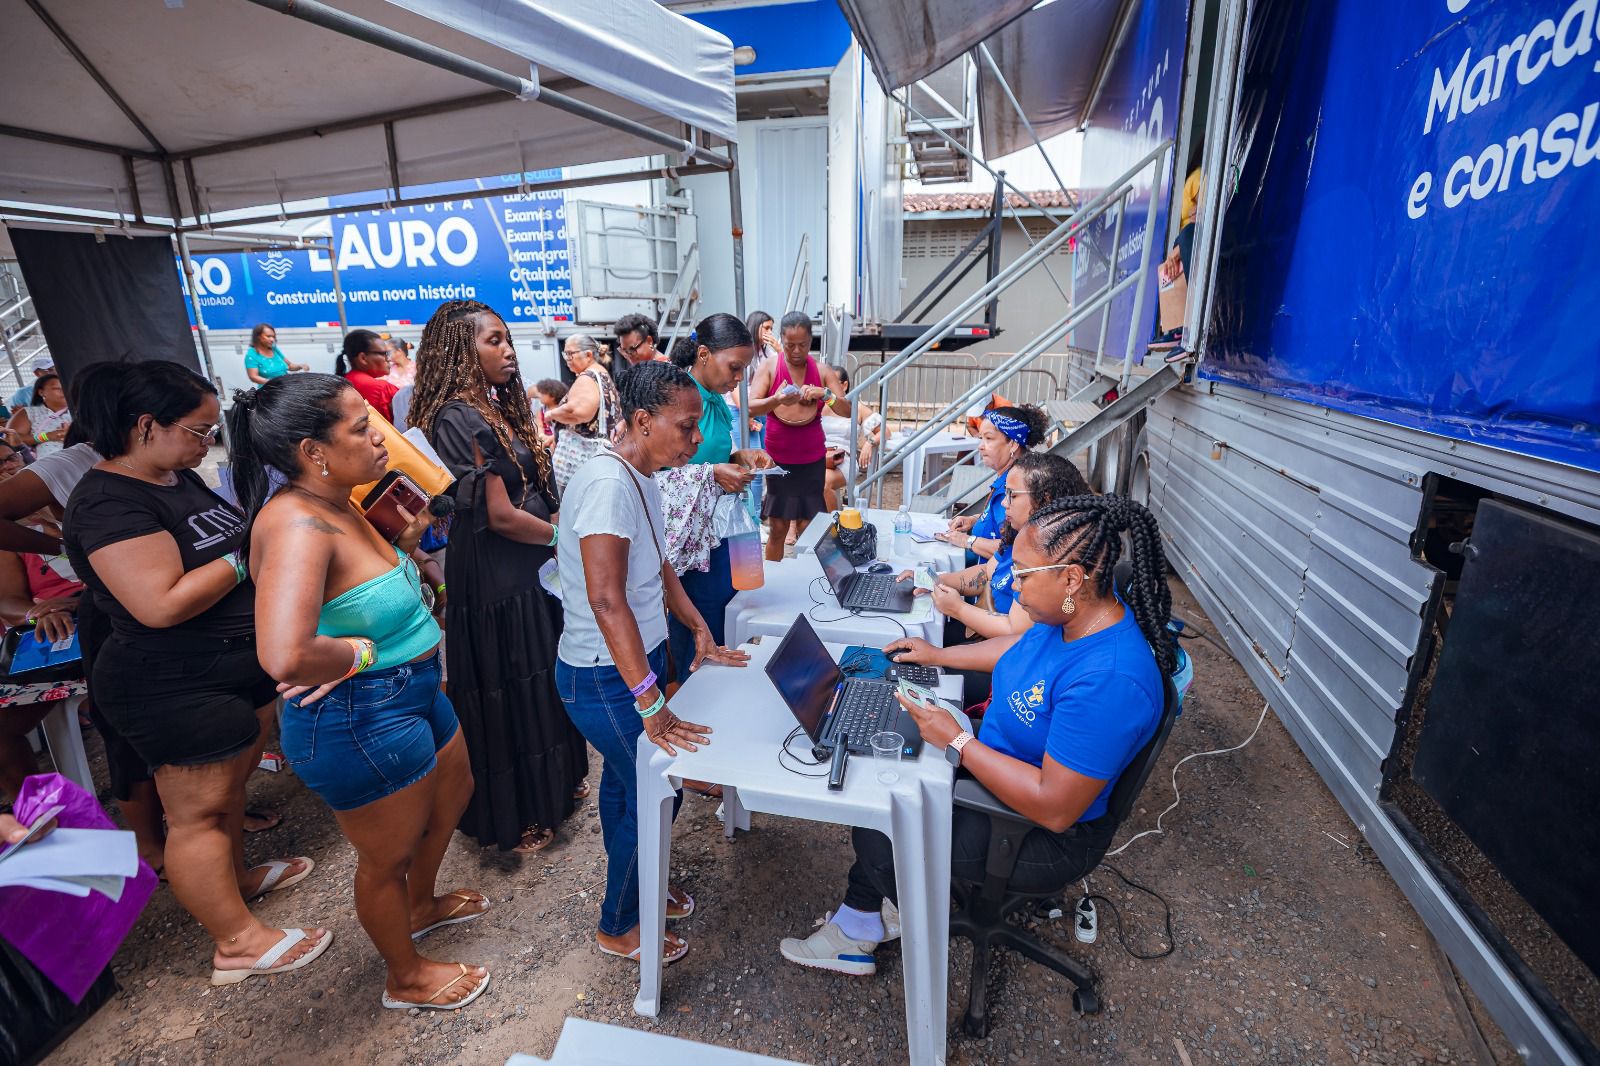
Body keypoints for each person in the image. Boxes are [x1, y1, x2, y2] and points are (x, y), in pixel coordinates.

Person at [779, 494, 1171, 975]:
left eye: (1024, 575)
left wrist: (959, 743)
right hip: (1005, 762)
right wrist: (935, 656)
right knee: (888, 766)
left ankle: (867, 923)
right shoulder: (1072, 617)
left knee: (879, 829)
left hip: (1037, 833)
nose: (1014, 587)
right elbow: (1015, 649)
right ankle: (868, 911)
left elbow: (1054, 806)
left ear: (1071, 578)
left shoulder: (1111, 679)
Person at [62, 359, 330, 986]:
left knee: (227, 796)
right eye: (199, 430)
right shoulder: (108, 502)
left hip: (228, 671)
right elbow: (160, 602)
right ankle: (235, 943)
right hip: (171, 683)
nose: (206, 443)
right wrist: (249, 556)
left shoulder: (172, 476)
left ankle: (236, 881)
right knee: (198, 815)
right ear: (147, 425)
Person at [228, 372, 489, 1011]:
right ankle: (405, 978)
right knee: (385, 860)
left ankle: (422, 906)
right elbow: (285, 653)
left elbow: (359, 586)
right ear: (313, 452)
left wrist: (407, 547)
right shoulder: (295, 525)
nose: (382, 436)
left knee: (455, 790)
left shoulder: (340, 501)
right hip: (359, 713)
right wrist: (359, 654)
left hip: (413, 690)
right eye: (362, 427)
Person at [555, 361, 749, 964]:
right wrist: (650, 701)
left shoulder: (643, 476)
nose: (697, 439)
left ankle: (643, 889)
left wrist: (698, 629)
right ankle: (618, 924)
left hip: (632, 664)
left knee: (628, 783)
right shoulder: (609, 485)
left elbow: (661, 569)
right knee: (653, 785)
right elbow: (606, 597)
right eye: (686, 426)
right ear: (642, 421)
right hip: (602, 675)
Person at [411, 300, 590, 854]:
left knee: (541, 671)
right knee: (513, 681)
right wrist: (564, 539)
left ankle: (553, 785)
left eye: (507, 338)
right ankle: (519, 811)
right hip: (496, 570)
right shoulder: (455, 417)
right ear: (459, 350)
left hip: (529, 563)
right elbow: (499, 515)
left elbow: (529, 490)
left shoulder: (490, 406)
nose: (507, 349)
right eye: (493, 341)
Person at [655, 314, 771, 682]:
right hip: (691, 543)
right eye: (734, 368)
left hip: (718, 533)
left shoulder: (716, 400)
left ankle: (712, 697)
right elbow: (656, 474)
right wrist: (713, 474)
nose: (738, 379)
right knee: (698, 628)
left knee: (721, 618)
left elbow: (712, 456)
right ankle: (693, 703)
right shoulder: (681, 400)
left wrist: (738, 458)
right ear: (704, 354)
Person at [909, 452, 1089, 642]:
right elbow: (987, 572)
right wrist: (934, 580)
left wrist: (957, 608)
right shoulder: (1020, 534)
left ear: (1044, 500)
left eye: (1012, 495)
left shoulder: (1049, 554)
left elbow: (1015, 631)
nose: (1004, 502)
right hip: (983, 635)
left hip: (996, 648)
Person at [0, 445, 84, 802]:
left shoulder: (78, 499)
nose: (6, 469)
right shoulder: (10, 538)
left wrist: (81, 603)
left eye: (10, 458)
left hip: (108, 614)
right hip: (55, 632)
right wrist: (40, 613)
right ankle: (38, 821)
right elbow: (8, 600)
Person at [748, 313, 851, 559]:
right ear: (781, 340)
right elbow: (750, 407)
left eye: (802, 345)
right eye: (790, 344)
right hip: (779, 460)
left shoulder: (822, 370)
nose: (796, 351)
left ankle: (805, 577)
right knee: (779, 527)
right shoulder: (770, 367)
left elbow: (847, 409)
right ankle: (773, 578)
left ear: (810, 342)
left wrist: (825, 394)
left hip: (811, 459)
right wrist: (776, 399)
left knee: (808, 525)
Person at [937, 404, 1049, 563]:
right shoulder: (1012, 475)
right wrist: (974, 520)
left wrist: (966, 541)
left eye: (988, 438)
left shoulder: (1018, 487)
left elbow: (1015, 548)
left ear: (1013, 443)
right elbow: (1000, 522)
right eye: (981, 438)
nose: (981, 446)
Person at [547, 333, 624, 493]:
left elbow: (579, 412)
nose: (566, 358)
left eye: (570, 353)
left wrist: (552, 414)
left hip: (582, 460)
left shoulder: (587, 377)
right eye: (565, 353)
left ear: (588, 354)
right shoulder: (601, 374)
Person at [820, 365, 883, 513]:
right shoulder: (819, 405)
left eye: (832, 383)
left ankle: (833, 528)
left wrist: (869, 442)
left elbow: (884, 431)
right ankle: (800, 528)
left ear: (845, 385)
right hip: (819, 455)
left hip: (843, 459)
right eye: (825, 383)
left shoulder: (857, 407)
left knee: (822, 482)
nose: (828, 388)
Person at [336, 329, 400, 424]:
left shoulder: (341, 384)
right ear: (363, 358)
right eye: (384, 354)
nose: (389, 359)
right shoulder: (383, 389)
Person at [8, 373, 72, 457]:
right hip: (48, 466)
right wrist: (46, 436)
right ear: (41, 392)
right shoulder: (30, 412)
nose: (63, 391)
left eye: (65, 387)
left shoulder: (82, 410)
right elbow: (10, 439)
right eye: (56, 388)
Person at [529, 378, 567, 443]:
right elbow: (539, 426)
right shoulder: (541, 411)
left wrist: (553, 438)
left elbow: (565, 430)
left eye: (542, 393)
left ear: (552, 395)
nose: (539, 395)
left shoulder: (562, 409)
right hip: (545, 440)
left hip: (562, 440)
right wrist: (541, 435)